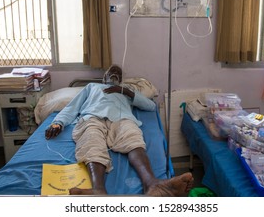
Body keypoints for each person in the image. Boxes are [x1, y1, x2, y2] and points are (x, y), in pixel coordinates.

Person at [45, 64, 193, 196]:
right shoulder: (92, 87)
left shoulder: (127, 91)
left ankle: (152, 184)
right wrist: (58, 123)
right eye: (111, 71)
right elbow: (72, 107)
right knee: (91, 140)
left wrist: (125, 91)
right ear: (104, 78)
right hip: (93, 117)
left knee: (133, 139)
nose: (115, 72)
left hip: (122, 119)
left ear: (121, 80)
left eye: (118, 73)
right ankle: (98, 190)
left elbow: (151, 106)